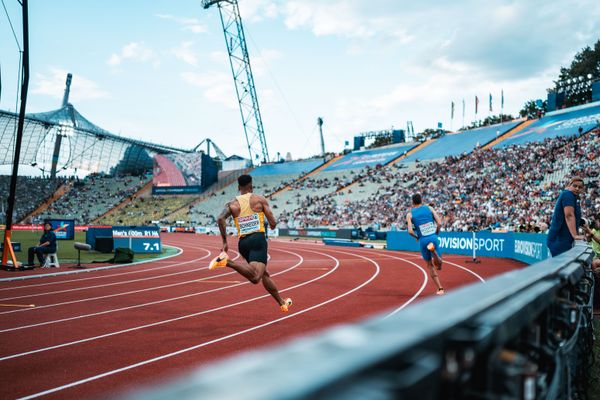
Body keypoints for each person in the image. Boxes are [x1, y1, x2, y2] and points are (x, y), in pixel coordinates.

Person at [209, 174, 293, 312]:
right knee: (255, 277)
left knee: (264, 273)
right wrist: (268, 222)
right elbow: (272, 224)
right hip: (258, 241)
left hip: (243, 244)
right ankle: (227, 262)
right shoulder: (259, 200)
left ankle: (282, 303)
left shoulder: (232, 204)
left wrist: (224, 242)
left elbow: (220, 219)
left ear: (238, 187)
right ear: (251, 186)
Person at [406, 193, 445, 295]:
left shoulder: (410, 214)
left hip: (423, 240)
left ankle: (440, 288)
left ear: (412, 202)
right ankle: (434, 253)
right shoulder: (430, 208)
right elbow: (440, 223)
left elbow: (410, 231)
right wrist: (437, 232)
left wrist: (417, 237)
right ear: (421, 200)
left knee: (430, 265)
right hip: (433, 237)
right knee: (439, 265)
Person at [546, 177, 586, 257]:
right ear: (569, 185)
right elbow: (569, 215)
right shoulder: (568, 194)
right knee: (560, 266)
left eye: (580, 187)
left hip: (563, 239)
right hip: (559, 240)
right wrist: (575, 235)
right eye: (575, 186)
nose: (577, 189)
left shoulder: (574, 197)